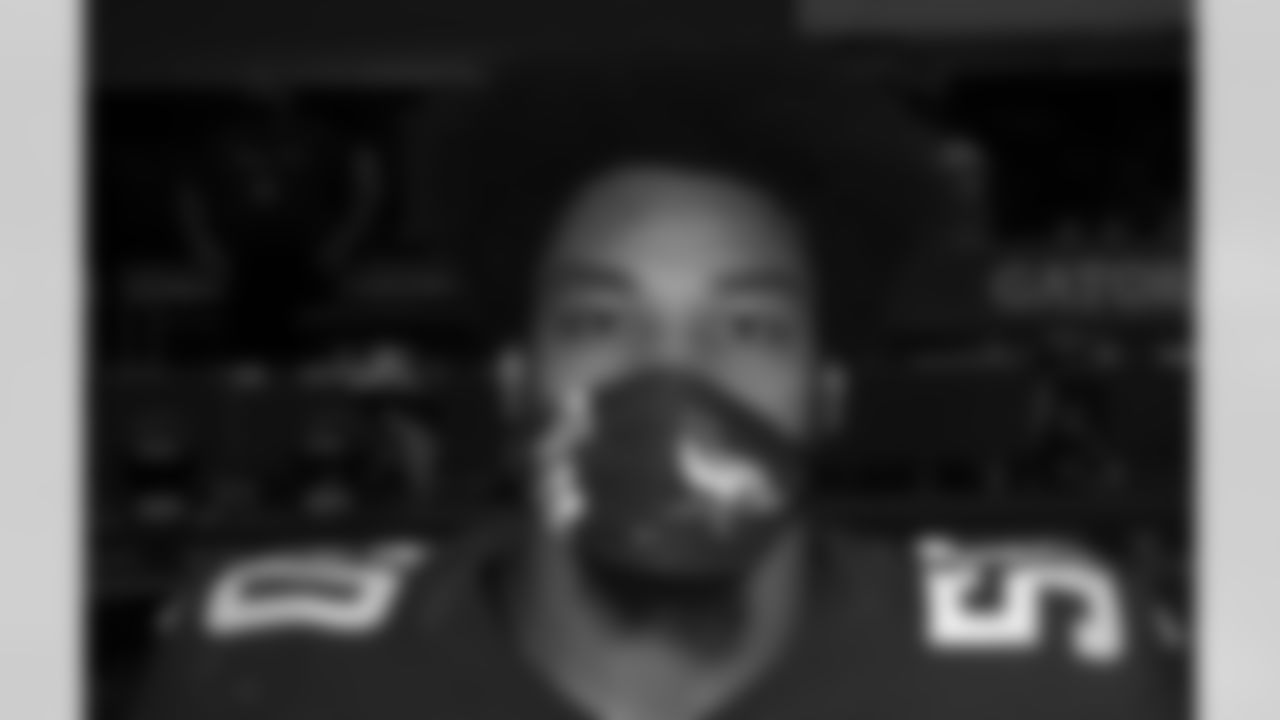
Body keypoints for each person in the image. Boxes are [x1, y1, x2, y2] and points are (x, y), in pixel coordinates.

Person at [129, 60, 1185, 720]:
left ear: (826, 394)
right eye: (600, 320)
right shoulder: (273, 668)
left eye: (748, 325)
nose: (673, 372)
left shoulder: (1049, 679)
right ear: (516, 381)